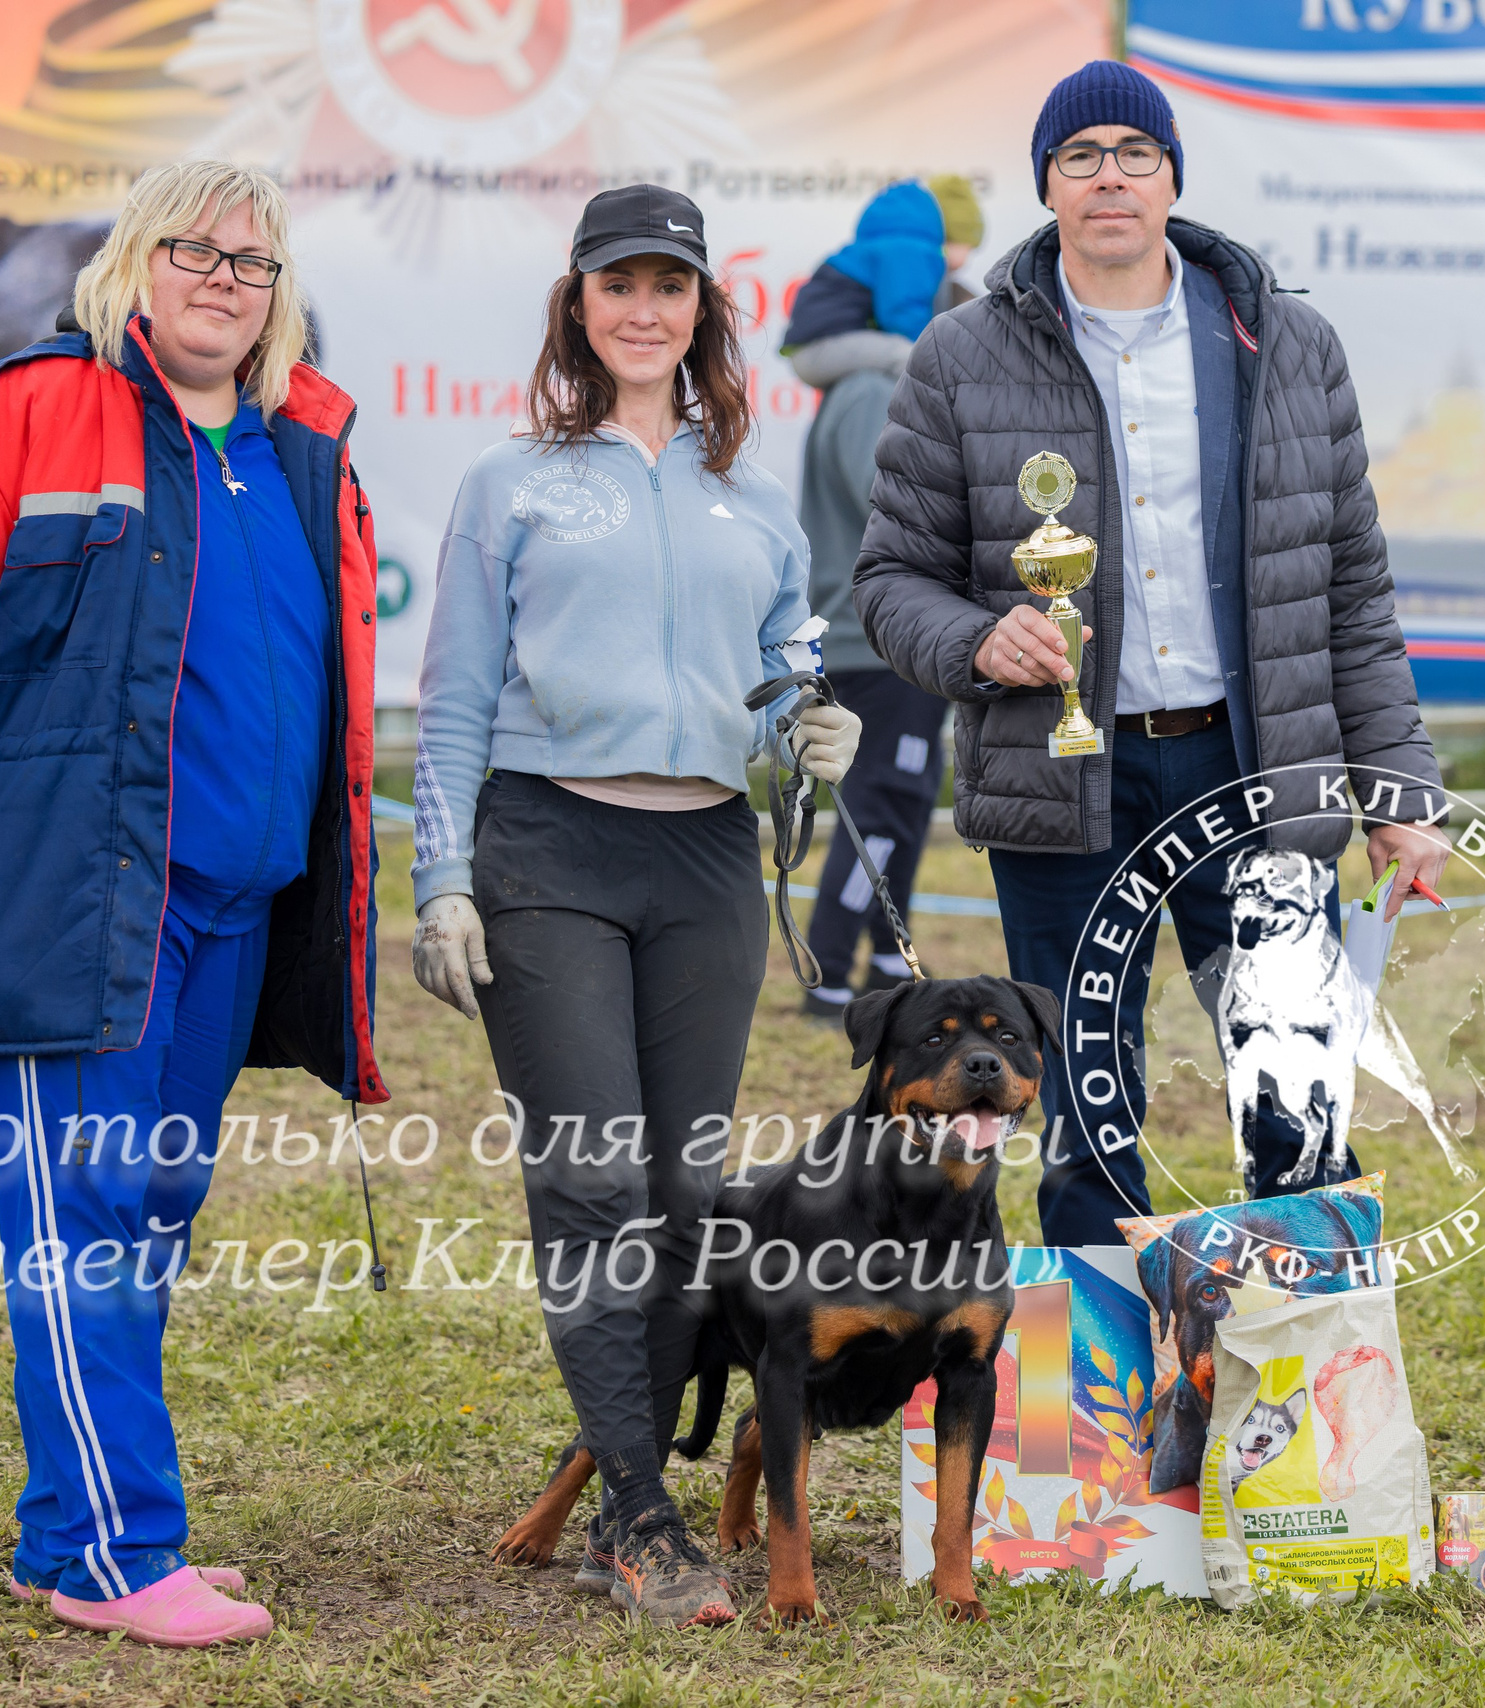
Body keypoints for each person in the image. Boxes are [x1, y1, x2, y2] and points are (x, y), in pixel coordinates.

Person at [0, 162, 384, 1646]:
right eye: (192, 251)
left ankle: (65, 1531)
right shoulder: (9, 418)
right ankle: (122, 1554)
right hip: (80, 902)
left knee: (148, 1214)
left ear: (278, 294)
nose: (221, 281)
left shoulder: (300, 447)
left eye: (250, 263)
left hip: (236, 914)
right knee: (82, 1224)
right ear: (132, 261)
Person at [853, 61, 1446, 1245]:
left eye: (1135, 152)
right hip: (1058, 775)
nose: (1109, 176)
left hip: (1254, 768)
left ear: (1172, 177)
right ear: (1047, 186)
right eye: (1080, 156)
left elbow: (1348, 589)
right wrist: (979, 639)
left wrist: (1396, 790)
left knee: (1295, 1093)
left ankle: (1310, 1357)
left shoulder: (1286, 343)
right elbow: (888, 581)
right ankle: (1099, 1363)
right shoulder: (959, 355)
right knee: (1084, 1105)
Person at [406, 184, 860, 1626]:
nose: (644, 310)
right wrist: (441, 879)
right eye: (619, 285)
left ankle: (619, 1475)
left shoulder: (756, 499)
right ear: (579, 305)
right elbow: (454, 698)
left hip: (708, 861)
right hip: (548, 853)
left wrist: (809, 727)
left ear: (705, 308)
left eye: (670, 286)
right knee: (593, 1184)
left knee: (681, 1202)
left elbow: (780, 672)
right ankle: (642, 1514)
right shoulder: (510, 484)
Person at [783, 179, 982, 1021]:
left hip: (884, 640)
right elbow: (898, 508)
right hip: (877, 641)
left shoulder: (861, 387)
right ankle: (831, 971)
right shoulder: (870, 392)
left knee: (900, 795)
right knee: (884, 804)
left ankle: (887, 967)